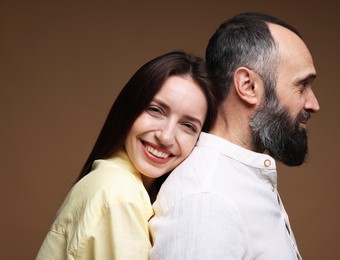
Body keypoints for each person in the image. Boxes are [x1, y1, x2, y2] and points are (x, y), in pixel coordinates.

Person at [149, 12, 320, 259]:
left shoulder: (237, 180)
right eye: (302, 85)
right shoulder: (207, 202)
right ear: (248, 86)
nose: (314, 103)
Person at [36, 51, 219, 260]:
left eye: (188, 126)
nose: (166, 137)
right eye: (156, 110)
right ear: (129, 108)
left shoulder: (128, 188)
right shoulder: (119, 194)